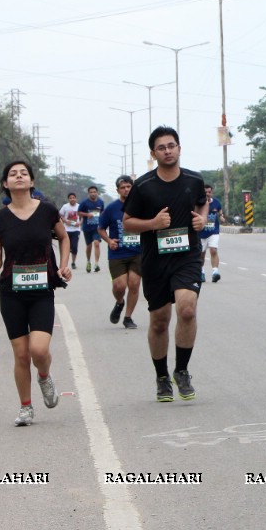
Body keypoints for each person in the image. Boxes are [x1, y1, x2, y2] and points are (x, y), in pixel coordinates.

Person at [122, 126, 206, 403]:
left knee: (187, 310)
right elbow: (128, 223)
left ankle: (181, 370)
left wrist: (202, 220)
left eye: (172, 146)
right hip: (155, 261)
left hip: (188, 257)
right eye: (162, 147)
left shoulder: (193, 180)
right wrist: (152, 224)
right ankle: (161, 376)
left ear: (179, 148)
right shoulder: (144, 186)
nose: (168, 151)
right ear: (153, 153)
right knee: (159, 321)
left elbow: (203, 204)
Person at [0, 160, 72, 426]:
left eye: (24, 173)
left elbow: (64, 237)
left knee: (38, 349)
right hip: (11, 291)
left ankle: (44, 376)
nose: (19, 176)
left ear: (32, 181)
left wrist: (64, 265)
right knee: (21, 354)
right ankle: (25, 407)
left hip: (42, 290)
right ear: (5, 183)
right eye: (13, 174)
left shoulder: (46, 211)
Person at [98, 175, 141, 329]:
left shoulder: (141, 206)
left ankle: (128, 318)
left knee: (134, 284)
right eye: (122, 187)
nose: (126, 190)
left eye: (129, 187)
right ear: (118, 190)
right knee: (119, 286)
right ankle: (119, 302)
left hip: (137, 252)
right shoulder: (111, 208)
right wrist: (109, 241)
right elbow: (101, 228)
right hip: (118, 253)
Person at [199, 184, 225, 283]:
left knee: (213, 250)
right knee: (201, 254)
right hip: (201, 233)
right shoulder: (199, 203)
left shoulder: (217, 203)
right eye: (205, 192)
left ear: (212, 192)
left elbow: (220, 212)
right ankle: (201, 272)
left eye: (209, 192)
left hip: (213, 231)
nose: (207, 194)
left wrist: (222, 217)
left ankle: (215, 272)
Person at [78, 185, 105, 273]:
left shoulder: (100, 202)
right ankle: (88, 261)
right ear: (88, 193)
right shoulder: (84, 203)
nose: (93, 194)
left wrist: (103, 221)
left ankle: (96, 264)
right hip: (87, 227)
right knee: (89, 245)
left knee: (97, 243)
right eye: (91, 192)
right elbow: (79, 212)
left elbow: (103, 213)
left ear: (97, 193)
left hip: (97, 227)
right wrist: (87, 215)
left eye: (94, 192)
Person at [60, 192, 82, 269]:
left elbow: (83, 217)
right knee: (66, 247)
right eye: (70, 198)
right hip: (66, 229)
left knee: (74, 247)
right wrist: (66, 221)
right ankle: (64, 263)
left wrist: (80, 223)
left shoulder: (79, 206)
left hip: (76, 229)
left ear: (76, 198)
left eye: (73, 197)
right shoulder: (65, 207)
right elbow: (60, 215)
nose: (72, 199)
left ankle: (73, 262)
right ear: (68, 199)